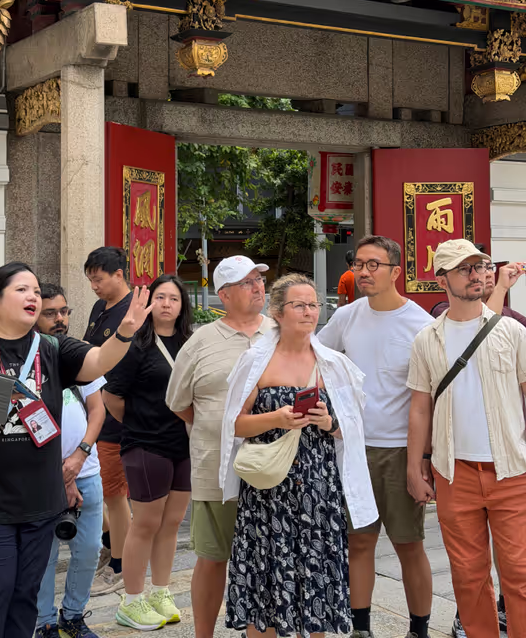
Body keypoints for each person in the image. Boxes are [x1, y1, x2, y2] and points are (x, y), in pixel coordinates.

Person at [0, 262, 154, 638]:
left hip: (40, 502)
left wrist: (125, 332)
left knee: (24, 597)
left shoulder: (51, 347)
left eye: (35, 290)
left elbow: (98, 361)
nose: (32, 296)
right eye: (22, 289)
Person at [220, 273, 377, 638]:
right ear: (277, 312)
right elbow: (234, 425)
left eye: (313, 305)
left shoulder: (333, 364)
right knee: (265, 578)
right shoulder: (255, 362)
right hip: (268, 490)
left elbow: (352, 429)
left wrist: (328, 422)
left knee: (315, 577)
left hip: (318, 489)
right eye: (299, 305)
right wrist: (276, 418)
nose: (309, 312)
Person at [407, 239, 526, 638]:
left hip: (513, 471)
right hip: (454, 473)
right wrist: (414, 468)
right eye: (465, 269)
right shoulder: (427, 339)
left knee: (520, 575)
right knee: (468, 577)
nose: (477, 275)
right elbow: (420, 407)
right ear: (442, 279)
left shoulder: (510, 330)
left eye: (481, 266)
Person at [318, 236, 433, 638]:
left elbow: (430, 399)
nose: (363, 272)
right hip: (353, 449)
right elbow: (315, 359)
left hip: (400, 451)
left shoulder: (421, 325)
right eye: (358, 264)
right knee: (359, 542)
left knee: (408, 543)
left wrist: (423, 461)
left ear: (395, 272)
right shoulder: (346, 317)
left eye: (373, 265)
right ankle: (361, 628)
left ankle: (419, 629)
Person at [166, 255, 273, 638]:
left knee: (267, 559)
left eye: (260, 280)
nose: (258, 287)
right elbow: (178, 403)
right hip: (216, 468)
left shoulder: (280, 333)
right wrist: (217, 428)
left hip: (275, 470)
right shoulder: (201, 341)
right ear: (223, 295)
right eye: (247, 282)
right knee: (213, 558)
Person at [103, 274, 193, 630]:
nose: (167, 304)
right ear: (150, 303)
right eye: (161, 297)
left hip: (184, 444)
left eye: (174, 298)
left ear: (183, 305)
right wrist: (141, 422)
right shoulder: (136, 345)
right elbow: (112, 396)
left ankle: (160, 592)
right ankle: (132, 600)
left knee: (172, 523)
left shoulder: (190, 344)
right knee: (146, 523)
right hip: (145, 445)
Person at [35, 283, 105, 638]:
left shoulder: (78, 354)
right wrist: (62, 474)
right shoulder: (27, 362)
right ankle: (44, 621)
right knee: (43, 556)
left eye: (64, 311)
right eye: (51, 313)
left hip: (86, 470)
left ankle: (73, 615)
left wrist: (81, 454)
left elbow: (98, 410)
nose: (60, 319)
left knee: (89, 549)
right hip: (42, 477)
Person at [83, 247, 133, 597]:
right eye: (90, 280)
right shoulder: (100, 308)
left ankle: (121, 564)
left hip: (115, 414)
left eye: (98, 279)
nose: (94, 287)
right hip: (93, 410)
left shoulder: (132, 312)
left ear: (119, 274)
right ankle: (110, 544)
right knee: (100, 490)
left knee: (115, 493)